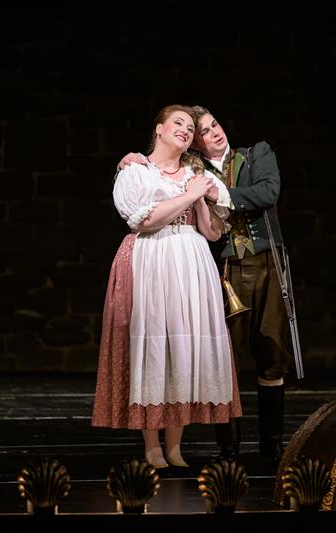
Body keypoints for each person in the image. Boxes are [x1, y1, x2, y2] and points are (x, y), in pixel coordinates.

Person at [117, 105, 294, 464]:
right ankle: (228, 449)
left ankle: (272, 446)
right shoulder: (192, 168)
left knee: (272, 354)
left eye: (215, 125)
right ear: (194, 142)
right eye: (205, 131)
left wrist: (216, 195)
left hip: (264, 262)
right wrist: (130, 160)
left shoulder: (254, 154)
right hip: (224, 267)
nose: (215, 133)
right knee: (224, 357)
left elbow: (267, 193)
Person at [91, 105, 242, 471]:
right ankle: (152, 445)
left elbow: (212, 233)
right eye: (178, 123)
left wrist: (200, 196)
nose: (186, 130)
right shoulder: (137, 171)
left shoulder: (196, 174)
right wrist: (189, 195)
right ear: (158, 129)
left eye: (190, 128)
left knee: (183, 349)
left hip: (191, 262)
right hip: (152, 259)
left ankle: (174, 445)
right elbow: (145, 221)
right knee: (154, 345)